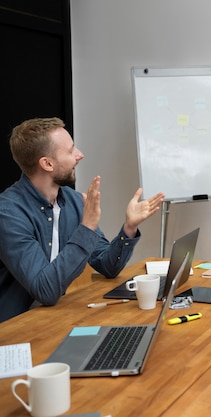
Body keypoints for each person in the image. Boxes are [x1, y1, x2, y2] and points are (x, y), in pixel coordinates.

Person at [0, 117, 165, 322]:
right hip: (16, 328)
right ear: (47, 163)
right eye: (70, 151)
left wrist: (129, 228)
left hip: (57, 317)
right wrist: (86, 227)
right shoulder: (8, 213)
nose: (80, 155)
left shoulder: (73, 200)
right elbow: (45, 291)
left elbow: (107, 265)